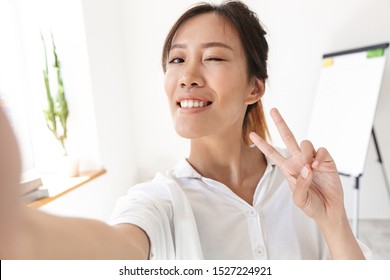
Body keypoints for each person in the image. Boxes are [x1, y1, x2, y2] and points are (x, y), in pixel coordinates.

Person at [0, 0, 369, 260]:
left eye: (212, 58)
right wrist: (18, 230)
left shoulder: (300, 185)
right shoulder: (159, 201)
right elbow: (116, 249)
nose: (187, 77)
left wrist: (333, 221)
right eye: (177, 59)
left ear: (254, 88)